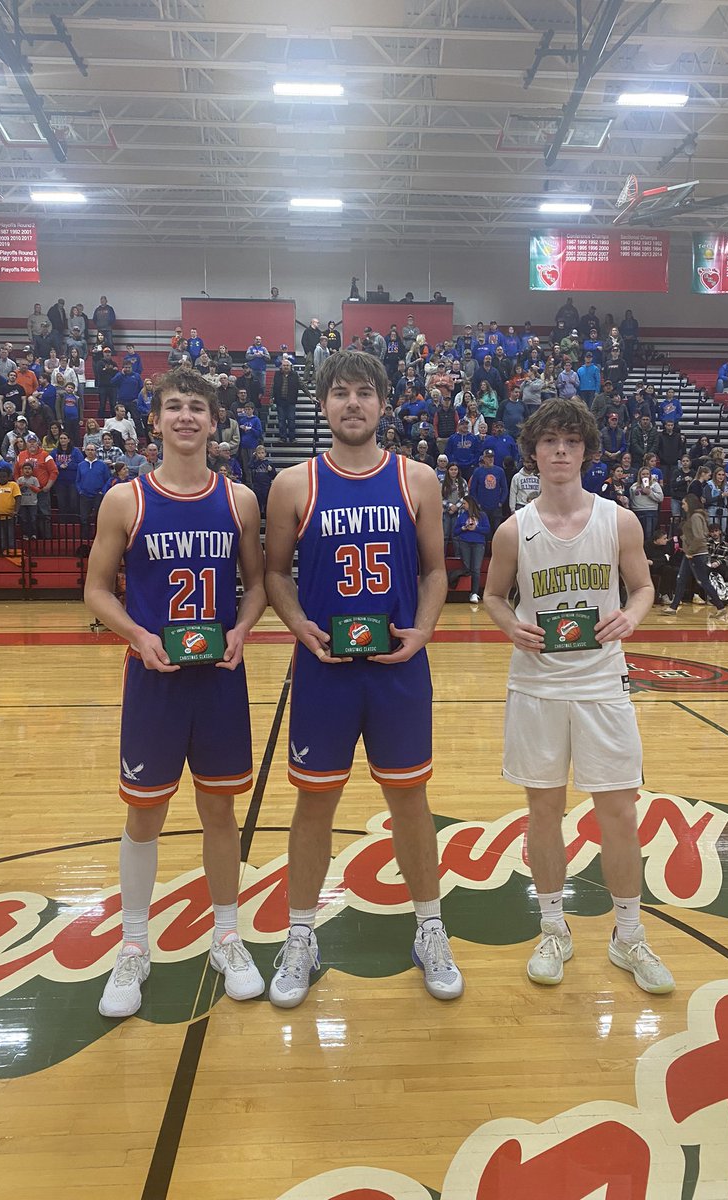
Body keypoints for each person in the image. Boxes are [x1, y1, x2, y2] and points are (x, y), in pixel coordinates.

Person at [263, 350, 464, 1009]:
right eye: (341, 393)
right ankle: (300, 935)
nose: (352, 403)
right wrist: (299, 625)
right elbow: (274, 573)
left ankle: (430, 929)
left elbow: (435, 572)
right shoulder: (293, 484)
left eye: (364, 392)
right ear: (323, 405)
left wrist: (424, 629)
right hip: (324, 671)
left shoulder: (417, 479)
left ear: (383, 403)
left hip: (397, 670)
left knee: (409, 800)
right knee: (314, 803)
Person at [84, 367, 266, 1018]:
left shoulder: (239, 500)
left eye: (196, 407)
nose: (185, 416)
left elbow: (257, 585)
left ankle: (226, 936)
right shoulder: (125, 500)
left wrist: (242, 630)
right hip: (154, 679)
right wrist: (138, 635)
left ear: (214, 422)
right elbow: (96, 590)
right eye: (173, 407)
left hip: (217, 679)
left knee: (220, 812)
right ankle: (134, 944)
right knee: (144, 814)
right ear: (155, 420)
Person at [482, 398, 674, 995]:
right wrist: (511, 626)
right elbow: (493, 597)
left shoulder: (619, 521)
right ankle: (552, 928)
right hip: (537, 684)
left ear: (586, 450)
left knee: (619, 811)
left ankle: (628, 935)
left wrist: (632, 617)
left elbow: (643, 588)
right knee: (544, 811)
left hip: (602, 683)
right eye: (549, 441)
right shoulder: (513, 530)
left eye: (571, 441)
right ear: (533, 452)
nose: (560, 450)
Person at [662, 469, 728, 617]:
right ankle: (673, 607)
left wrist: (690, 551)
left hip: (696, 554)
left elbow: (699, 537)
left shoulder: (696, 517)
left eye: (684, 503)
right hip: (691, 553)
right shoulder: (693, 516)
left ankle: (720, 607)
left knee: (702, 581)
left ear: (690, 504)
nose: (682, 506)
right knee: (681, 580)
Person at [452, 494, 489, 603]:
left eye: (464, 503)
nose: (463, 505)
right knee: (467, 568)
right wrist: (463, 528)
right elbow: (455, 532)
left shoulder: (482, 515)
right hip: (465, 543)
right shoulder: (462, 516)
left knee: (476, 569)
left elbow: (487, 529)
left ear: (470, 503)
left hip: (478, 543)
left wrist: (475, 528)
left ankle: (474, 593)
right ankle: (467, 590)